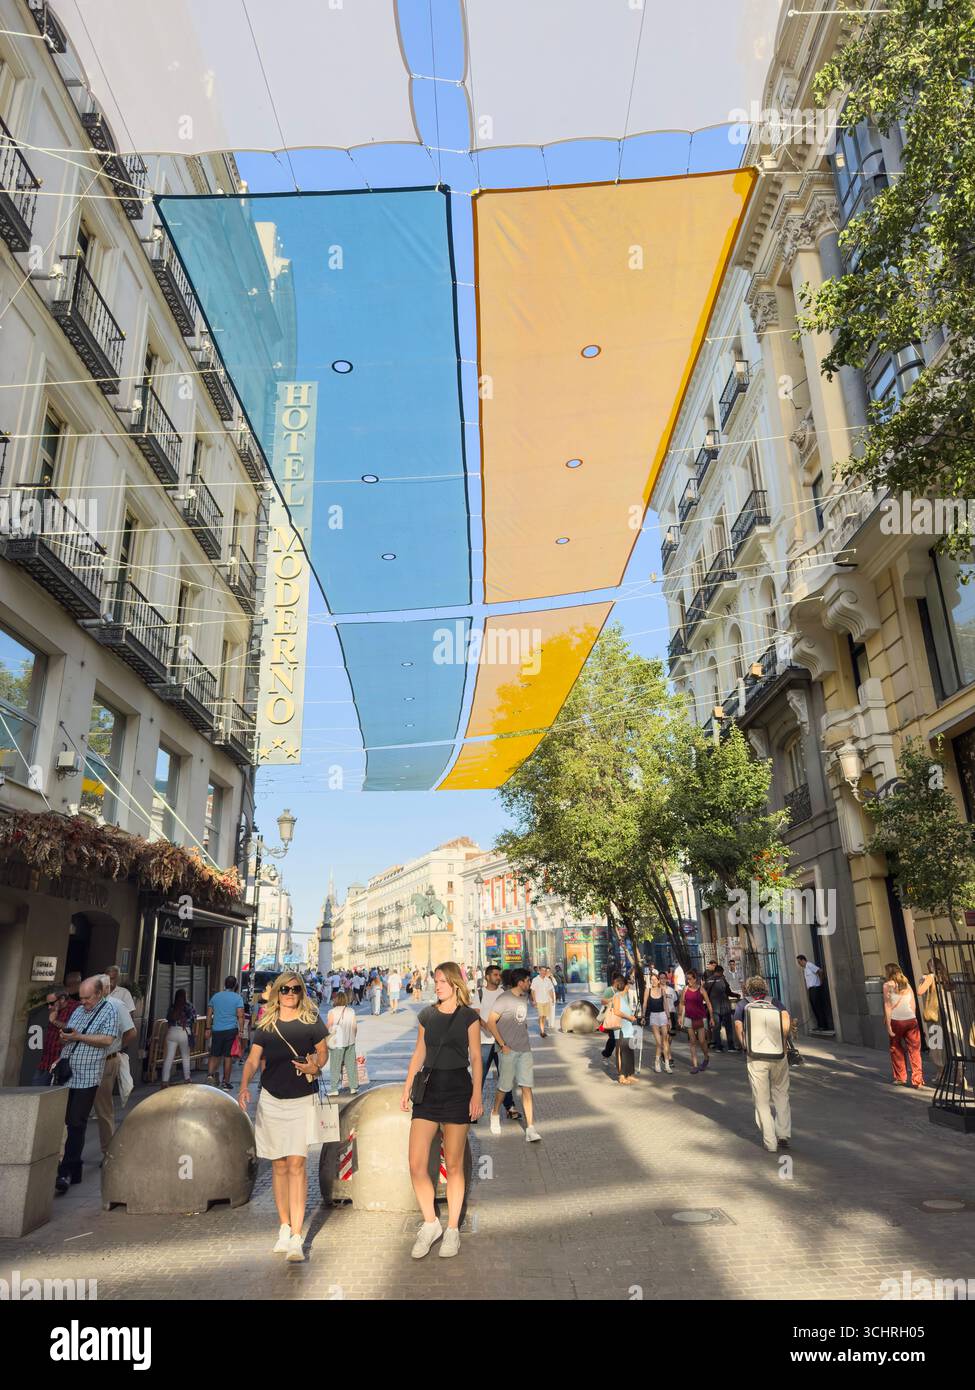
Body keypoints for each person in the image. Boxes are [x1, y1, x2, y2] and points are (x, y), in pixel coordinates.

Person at [238, 973, 328, 1263]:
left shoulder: (311, 1020)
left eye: (295, 989)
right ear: (277, 992)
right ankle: (284, 1227)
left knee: (297, 1163)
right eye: (285, 989)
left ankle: (298, 1236)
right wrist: (243, 1086)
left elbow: (323, 1054)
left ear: (302, 992)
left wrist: (314, 1066)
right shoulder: (266, 1023)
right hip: (272, 1099)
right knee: (278, 1164)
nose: (290, 993)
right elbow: (253, 1059)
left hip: (302, 1099)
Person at [401, 962, 482, 1259]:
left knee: (455, 1165)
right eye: (435, 981)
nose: (437, 986)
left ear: (455, 984)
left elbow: (475, 1056)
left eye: (443, 982)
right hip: (428, 1093)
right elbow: (419, 1051)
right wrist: (407, 1085)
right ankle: (431, 1222)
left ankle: (452, 1231)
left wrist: (476, 1095)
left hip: (458, 1091)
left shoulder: (469, 1017)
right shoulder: (427, 1015)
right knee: (415, 1164)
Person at [54, 976, 120, 1194]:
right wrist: (66, 1037)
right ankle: (73, 1167)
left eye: (87, 998)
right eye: (80, 998)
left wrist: (79, 1036)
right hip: (68, 1073)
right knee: (64, 1120)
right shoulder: (79, 1010)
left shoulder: (109, 1010)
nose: (83, 1002)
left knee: (76, 1121)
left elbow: (108, 1040)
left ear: (99, 994)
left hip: (88, 1075)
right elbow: (71, 1033)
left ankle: (67, 1168)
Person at [734, 975, 792, 1153]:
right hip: (778, 1054)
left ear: (748, 989)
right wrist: (780, 1041)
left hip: (756, 1055)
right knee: (781, 1093)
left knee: (761, 1099)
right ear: (765, 988)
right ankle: (783, 1133)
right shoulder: (775, 1002)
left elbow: (738, 1025)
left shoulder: (743, 1004)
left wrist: (745, 1044)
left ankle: (770, 1142)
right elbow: (786, 1020)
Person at [486, 967, 540, 1141]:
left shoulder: (523, 997)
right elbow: (491, 1022)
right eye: (528, 981)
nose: (530, 983)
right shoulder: (504, 999)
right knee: (505, 1086)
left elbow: (520, 1021)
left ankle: (530, 1128)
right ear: (521, 982)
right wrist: (502, 1044)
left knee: (527, 1087)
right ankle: (494, 1114)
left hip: (524, 1049)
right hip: (507, 1050)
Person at [93, 974, 135, 1158]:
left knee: (103, 1109)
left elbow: (131, 1031)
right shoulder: (84, 1007)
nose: (85, 998)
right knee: (73, 1111)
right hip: (84, 1062)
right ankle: (64, 1156)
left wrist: (117, 1047)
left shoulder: (117, 1005)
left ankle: (108, 1150)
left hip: (107, 1060)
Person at [472, 964, 520, 1122]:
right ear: (487, 977)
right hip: (484, 1042)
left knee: (505, 1076)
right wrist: (487, 1025)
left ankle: (510, 1107)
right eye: (495, 975)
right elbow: (476, 1015)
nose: (498, 977)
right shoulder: (479, 993)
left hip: (501, 1043)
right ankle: (473, 1109)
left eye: (499, 975)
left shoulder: (504, 994)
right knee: (480, 1076)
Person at [883, 964, 923, 1089]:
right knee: (914, 1050)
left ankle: (901, 1078)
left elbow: (888, 1006)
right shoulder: (906, 983)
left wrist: (889, 1025)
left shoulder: (887, 985)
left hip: (896, 1020)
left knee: (896, 1048)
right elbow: (913, 1003)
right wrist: (914, 1017)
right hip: (911, 1020)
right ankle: (918, 1080)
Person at [206, 975, 245, 1090]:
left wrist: (208, 1028)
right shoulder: (238, 998)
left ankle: (210, 1076)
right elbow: (240, 1016)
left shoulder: (216, 996)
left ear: (225, 983)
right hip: (230, 1031)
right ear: (235, 985)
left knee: (214, 1054)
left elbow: (209, 1014)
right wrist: (241, 1030)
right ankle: (225, 1082)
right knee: (228, 1056)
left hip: (217, 1030)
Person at [33, 986, 75, 1087]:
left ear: (62, 999)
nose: (49, 1007)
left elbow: (73, 1030)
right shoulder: (54, 1009)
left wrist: (54, 1021)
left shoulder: (76, 1008)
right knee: (35, 1091)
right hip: (46, 1060)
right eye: (47, 1004)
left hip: (62, 1061)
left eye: (51, 1003)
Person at [160, 988, 197, 1087]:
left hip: (172, 1032)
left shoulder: (172, 1006)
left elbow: (168, 1019)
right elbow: (193, 1019)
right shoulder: (189, 1006)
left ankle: (164, 1081)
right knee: (185, 1056)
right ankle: (187, 1078)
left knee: (169, 1058)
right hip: (184, 1032)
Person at [678, 969, 713, 1073]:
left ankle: (706, 1057)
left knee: (702, 1041)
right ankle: (695, 1065)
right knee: (692, 1041)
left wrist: (711, 1017)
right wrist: (680, 1016)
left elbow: (708, 1003)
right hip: (689, 1018)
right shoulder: (685, 989)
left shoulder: (701, 990)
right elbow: (681, 1003)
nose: (688, 981)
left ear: (695, 979)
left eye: (690, 979)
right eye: (687, 979)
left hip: (701, 1018)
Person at [607, 973, 639, 1085]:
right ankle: (622, 1075)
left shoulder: (624, 997)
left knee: (629, 1051)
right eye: (628, 984)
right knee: (622, 1052)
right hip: (620, 1028)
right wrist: (629, 1017)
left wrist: (631, 1017)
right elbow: (616, 1011)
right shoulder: (617, 996)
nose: (629, 986)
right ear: (625, 986)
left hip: (628, 1028)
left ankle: (629, 1074)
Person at [326, 990, 358, 1095]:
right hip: (350, 1040)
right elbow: (354, 1027)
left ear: (336, 999)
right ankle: (353, 1087)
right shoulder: (351, 1011)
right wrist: (353, 1037)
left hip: (337, 1042)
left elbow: (329, 1026)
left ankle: (334, 1089)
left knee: (335, 1065)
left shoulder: (332, 1012)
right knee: (351, 1065)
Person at [642, 971, 673, 1073]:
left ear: (658, 980)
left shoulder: (662, 990)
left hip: (663, 1015)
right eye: (651, 980)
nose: (653, 981)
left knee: (665, 1041)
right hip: (653, 1016)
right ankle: (657, 1062)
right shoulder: (648, 990)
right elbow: (645, 1004)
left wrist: (669, 1019)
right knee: (659, 1042)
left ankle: (667, 1065)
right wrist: (643, 1016)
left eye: (655, 979)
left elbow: (665, 1005)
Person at [706, 964, 738, 1052]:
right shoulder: (722, 979)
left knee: (716, 1027)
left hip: (713, 1007)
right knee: (728, 1026)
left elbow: (705, 994)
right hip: (724, 1007)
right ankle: (731, 1047)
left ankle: (718, 1047)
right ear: (721, 972)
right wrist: (736, 995)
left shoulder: (708, 981)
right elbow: (728, 992)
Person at [797, 954, 829, 1031]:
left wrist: (821, 982)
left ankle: (824, 1025)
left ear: (803, 960)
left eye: (799, 962)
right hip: (811, 990)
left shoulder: (809, 965)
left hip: (816, 988)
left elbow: (820, 971)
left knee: (818, 1007)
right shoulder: (805, 969)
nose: (799, 964)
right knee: (814, 1007)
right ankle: (819, 1025)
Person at [530, 965, 557, 1038]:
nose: (544, 972)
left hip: (547, 1001)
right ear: (539, 971)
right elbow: (532, 991)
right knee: (541, 1015)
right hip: (539, 1001)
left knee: (544, 1016)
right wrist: (534, 1000)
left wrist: (553, 999)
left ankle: (542, 1028)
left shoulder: (548, 980)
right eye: (542, 970)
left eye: (545, 971)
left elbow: (550, 990)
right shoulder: (535, 980)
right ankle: (542, 1031)